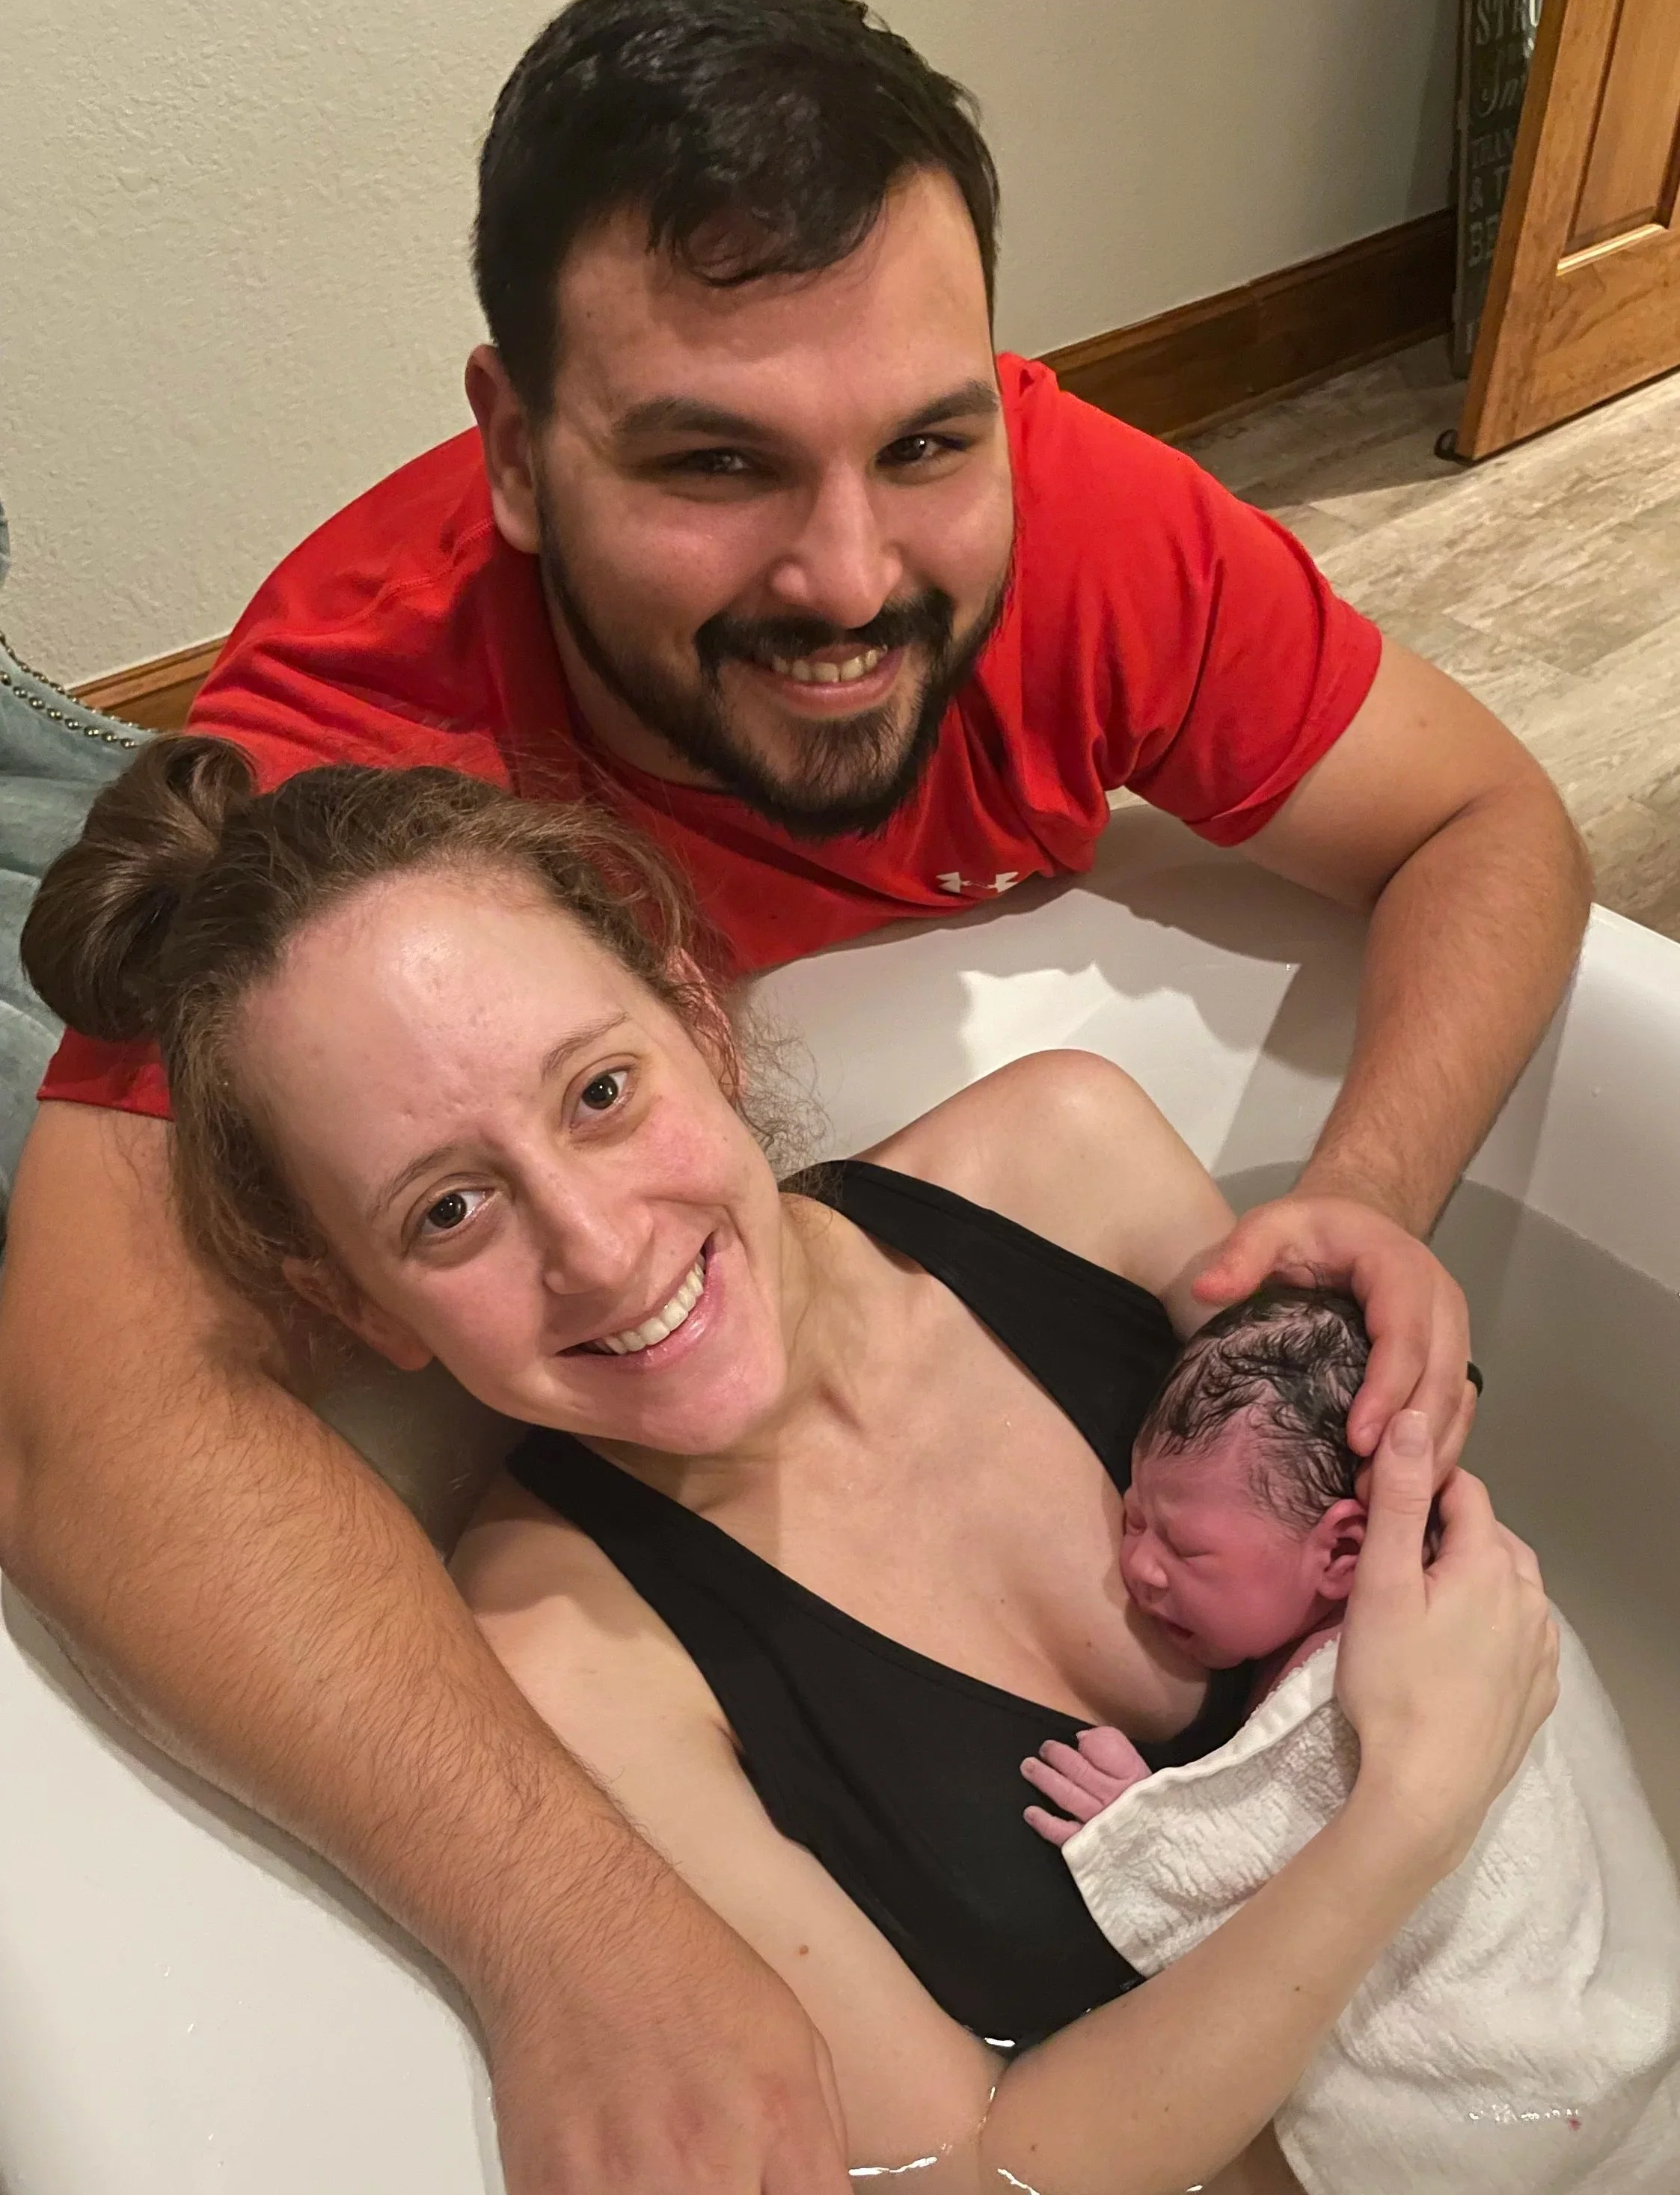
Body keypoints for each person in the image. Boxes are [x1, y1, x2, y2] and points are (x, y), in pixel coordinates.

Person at [0, 0, 1589, 2188]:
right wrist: (572, 1925)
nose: (850, 571)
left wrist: (1368, 1190)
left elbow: (1488, 822)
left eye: (926, 441)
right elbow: (86, 1429)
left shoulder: (1081, 550)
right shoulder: (346, 804)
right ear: (515, 448)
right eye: (711, 459)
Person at [19, 739, 1560, 2192]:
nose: (601, 1248)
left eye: (599, 1093)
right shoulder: (565, 1643)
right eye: (449, 1211)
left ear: (696, 1015)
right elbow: (970, 2169)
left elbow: (1405, 1497)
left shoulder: (1065, 1165)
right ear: (360, 1305)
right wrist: (1405, 1808)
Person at [1024, 1288, 1680, 2193]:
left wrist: (1146, 1825)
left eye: (1182, 1545)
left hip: (1517, 2088)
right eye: (1134, 1514)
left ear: (1342, 1551)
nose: (1136, 1563)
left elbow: (1261, 1884)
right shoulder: (1447, 1576)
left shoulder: (1349, 1678)